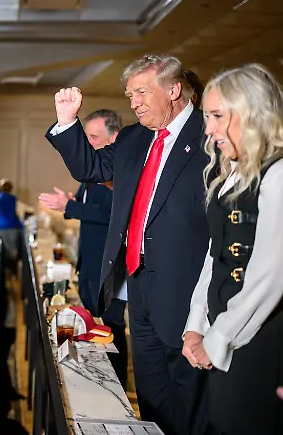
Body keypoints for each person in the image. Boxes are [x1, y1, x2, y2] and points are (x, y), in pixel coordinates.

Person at [45, 54, 209, 435]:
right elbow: (92, 168)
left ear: (173, 89)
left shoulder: (208, 136)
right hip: (137, 280)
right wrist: (67, 122)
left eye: (140, 92)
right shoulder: (136, 136)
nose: (133, 102)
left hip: (186, 289)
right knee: (150, 393)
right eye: (129, 93)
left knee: (188, 400)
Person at [181, 64, 283, 434]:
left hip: (261, 343)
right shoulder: (234, 174)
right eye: (207, 117)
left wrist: (218, 337)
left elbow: (270, 277)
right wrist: (197, 325)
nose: (208, 129)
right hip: (227, 334)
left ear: (253, 112)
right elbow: (216, 256)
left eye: (217, 116)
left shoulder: (279, 175)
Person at [39, 109, 128, 389]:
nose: (87, 144)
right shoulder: (91, 171)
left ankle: (116, 388)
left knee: (111, 331)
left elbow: (108, 214)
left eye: (93, 137)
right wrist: (71, 202)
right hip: (90, 264)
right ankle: (94, 384)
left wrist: (69, 206)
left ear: (114, 138)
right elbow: (86, 207)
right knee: (92, 329)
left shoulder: (119, 171)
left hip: (108, 268)